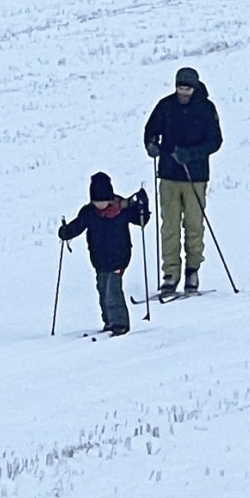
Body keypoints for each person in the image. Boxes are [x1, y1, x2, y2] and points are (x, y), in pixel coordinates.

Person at [143, 67, 223, 298]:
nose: (183, 92)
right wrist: (151, 144)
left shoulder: (206, 108)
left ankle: (192, 269)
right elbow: (151, 130)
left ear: (195, 87)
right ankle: (170, 274)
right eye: (180, 87)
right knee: (168, 225)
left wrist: (192, 154)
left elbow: (215, 141)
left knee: (194, 225)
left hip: (195, 176)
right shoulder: (166, 106)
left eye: (187, 88)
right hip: (168, 173)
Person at [59, 172, 151, 336]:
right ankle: (108, 321)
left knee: (112, 290)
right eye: (96, 202)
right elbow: (78, 225)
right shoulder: (89, 212)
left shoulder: (122, 209)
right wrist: (66, 232)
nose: (100, 206)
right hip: (99, 259)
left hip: (119, 257)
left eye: (103, 202)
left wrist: (143, 207)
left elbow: (140, 220)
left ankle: (119, 323)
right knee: (102, 289)